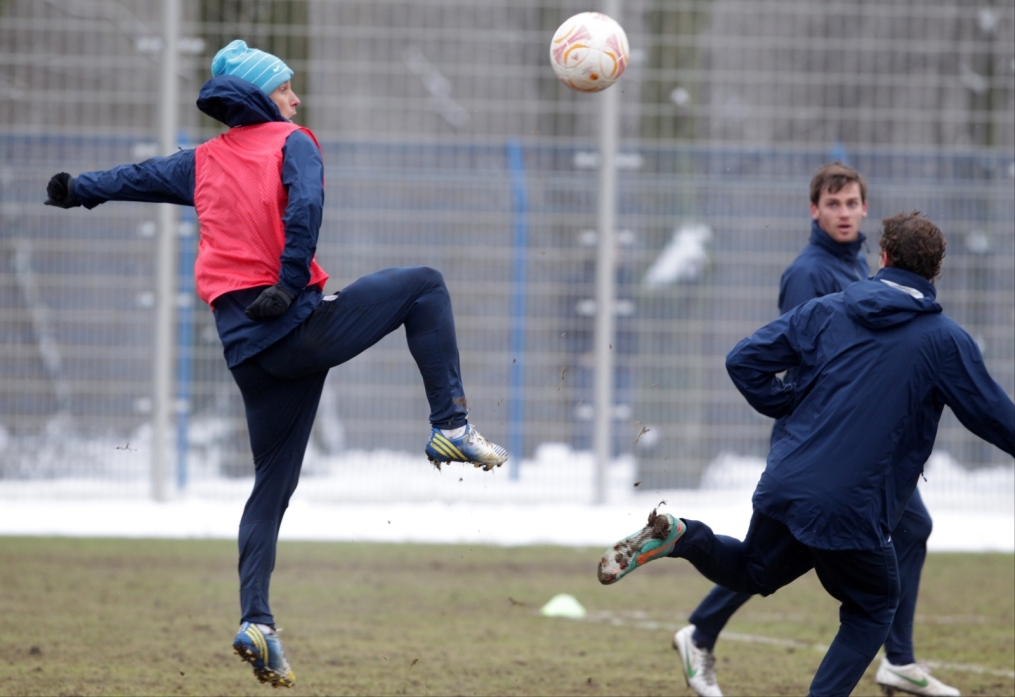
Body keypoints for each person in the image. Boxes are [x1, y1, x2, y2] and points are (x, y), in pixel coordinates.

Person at [43, 40, 507, 688]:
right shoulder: (292, 142)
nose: (296, 97)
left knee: (269, 489)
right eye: (286, 87)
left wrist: (76, 190)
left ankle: (256, 619)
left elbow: (138, 176)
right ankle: (451, 425)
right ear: (264, 96)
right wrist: (290, 285)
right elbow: (305, 209)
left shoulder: (203, 161)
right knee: (424, 284)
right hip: (294, 327)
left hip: (248, 355)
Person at [597, 212, 1014, 697]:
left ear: (882, 257)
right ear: (935, 271)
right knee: (873, 607)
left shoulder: (829, 309)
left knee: (756, 570)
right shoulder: (946, 341)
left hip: (788, 481)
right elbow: (995, 418)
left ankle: (684, 538)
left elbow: (743, 360)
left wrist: (792, 409)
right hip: (851, 506)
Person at [675, 164, 958, 697]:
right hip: (825, 439)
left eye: (852, 203)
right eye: (834, 205)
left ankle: (896, 657)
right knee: (784, 554)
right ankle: (703, 629)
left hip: (847, 443)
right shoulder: (811, 274)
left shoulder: (858, 270)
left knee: (893, 532)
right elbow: (792, 355)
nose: (845, 213)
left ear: (865, 210)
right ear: (815, 210)